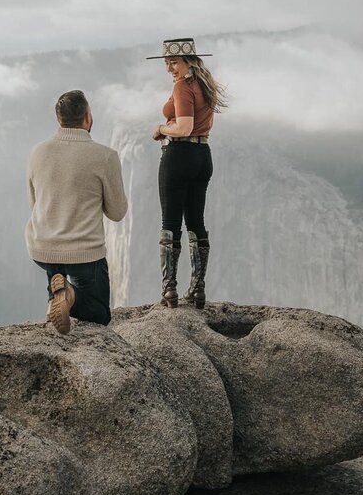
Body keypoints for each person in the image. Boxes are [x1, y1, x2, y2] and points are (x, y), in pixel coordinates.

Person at [26, 89, 128, 334]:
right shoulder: (105, 156)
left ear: (59, 119)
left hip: (42, 248)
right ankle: (69, 295)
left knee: (55, 264)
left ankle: (57, 292)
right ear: (87, 117)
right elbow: (117, 212)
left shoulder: (37, 152)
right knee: (100, 314)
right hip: (84, 252)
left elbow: (35, 203)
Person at [146, 38, 228, 309]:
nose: (169, 67)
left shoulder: (182, 87)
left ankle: (169, 290)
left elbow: (183, 127)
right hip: (203, 156)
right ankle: (198, 288)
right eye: (167, 62)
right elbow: (201, 124)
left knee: (170, 223)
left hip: (179, 156)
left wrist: (160, 129)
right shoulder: (205, 85)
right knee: (196, 221)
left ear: (187, 61)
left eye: (173, 62)